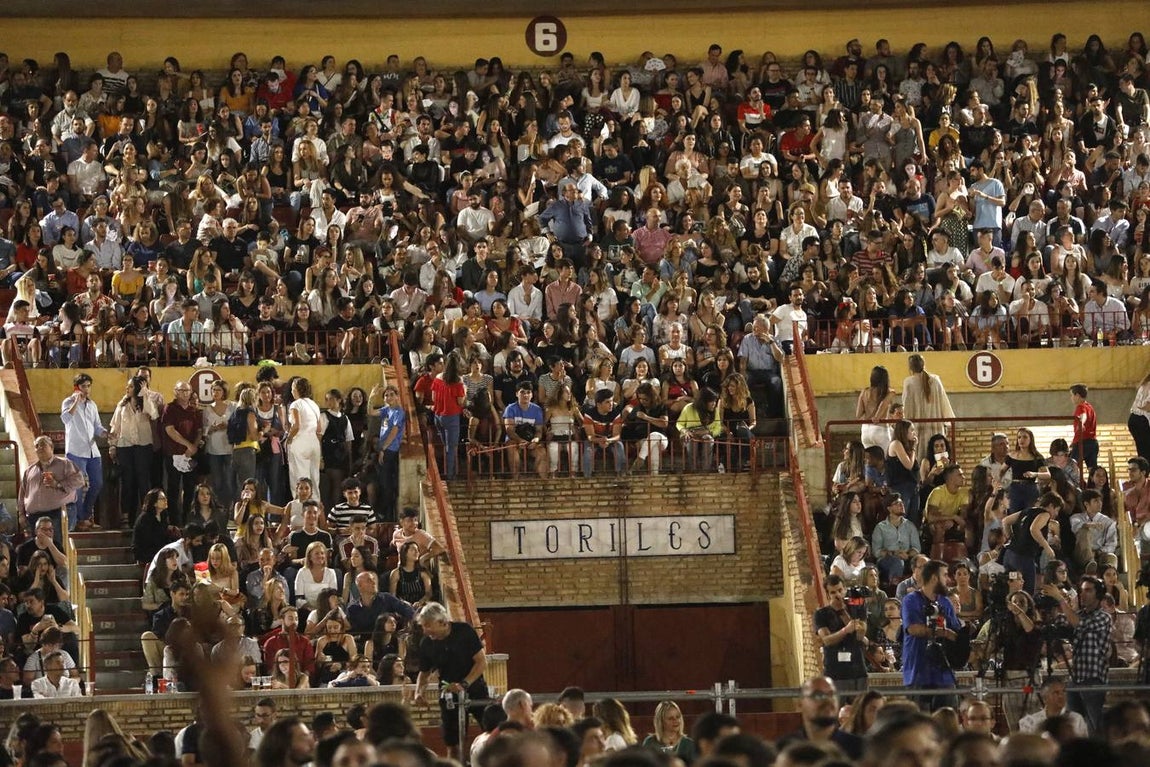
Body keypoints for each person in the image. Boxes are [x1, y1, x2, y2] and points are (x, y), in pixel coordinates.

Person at [413, 602, 488, 761]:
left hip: (475, 689)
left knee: (491, 729)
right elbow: (424, 673)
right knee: (452, 743)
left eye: (428, 625)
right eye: (423, 626)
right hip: (448, 695)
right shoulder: (427, 643)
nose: (425, 630)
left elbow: (481, 662)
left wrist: (464, 684)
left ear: (442, 622)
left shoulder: (465, 631)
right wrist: (419, 692)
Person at [1041, 575, 1112, 734]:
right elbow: (1057, 624)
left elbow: (1079, 624)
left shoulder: (1103, 616)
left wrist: (1060, 599)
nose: (1083, 594)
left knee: (1094, 726)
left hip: (1093, 679)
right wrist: (1053, 606)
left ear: (1098, 594)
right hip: (1076, 678)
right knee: (1074, 726)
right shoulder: (1079, 613)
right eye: (1081, 591)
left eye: (1088, 590)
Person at [902, 559, 960, 711]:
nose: (949, 579)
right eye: (945, 575)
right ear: (934, 578)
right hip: (918, 671)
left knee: (947, 721)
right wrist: (942, 632)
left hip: (944, 672)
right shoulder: (911, 600)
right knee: (920, 725)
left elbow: (956, 631)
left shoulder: (946, 602)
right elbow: (912, 629)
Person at [59, 373, 107, 531]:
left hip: (92, 450)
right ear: (76, 387)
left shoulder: (92, 405)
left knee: (98, 483)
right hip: (76, 449)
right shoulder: (68, 401)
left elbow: (97, 426)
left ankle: (86, 514)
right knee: (77, 486)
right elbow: (65, 419)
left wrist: (105, 433)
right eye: (83, 386)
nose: (86, 389)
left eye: (88, 386)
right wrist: (75, 402)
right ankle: (80, 519)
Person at [17, 436, 84, 543]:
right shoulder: (29, 470)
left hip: (57, 514)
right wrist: (21, 514)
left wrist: (57, 484)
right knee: (36, 549)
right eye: (36, 446)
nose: (39, 448)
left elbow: (79, 481)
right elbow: (22, 495)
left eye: (43, 444)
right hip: (34, 517)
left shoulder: (65, 463)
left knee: (56, 546)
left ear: (51, 447)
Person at [778, 676, 863, 759]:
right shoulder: (785, 749)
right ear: (800, 705)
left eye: (831, 694)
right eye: (818, 695)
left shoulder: (858, 748)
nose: (828, 700)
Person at [813, 575, 868, 693]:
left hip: (857, 670)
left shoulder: (857, 607)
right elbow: (827, 640)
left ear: (845, 589)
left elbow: (860, 635)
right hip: (835, 672)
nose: (837, 595)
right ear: (828, 595)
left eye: (840, 590)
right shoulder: (821, 614)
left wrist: (844, 612)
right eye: (833, 592)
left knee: (859, 708)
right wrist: (845, 630)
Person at [1002, 491, 1061, 594]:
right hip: (1023, 559)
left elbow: (1006, 521)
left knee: (1012, 589)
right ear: (1051, 505)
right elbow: (1034, 529)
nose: (1056, 514)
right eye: (1057, 510)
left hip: (1010, 556)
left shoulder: (1027, 511)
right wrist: (1047, 547)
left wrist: (1011, 537)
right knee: (1027, 593)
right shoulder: (1045, 514)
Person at [900, 354, 954, 461]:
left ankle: (923, 476)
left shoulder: (909, 383)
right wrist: (947, 422)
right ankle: (940, 474)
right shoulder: (936, 380)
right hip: (936, 427)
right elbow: (944, 403)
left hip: (918, 428)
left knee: (921, 458)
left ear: (910, 367)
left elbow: (907, 408)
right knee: (938, 459)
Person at [871, 494, 922, 586]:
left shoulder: (910, 525)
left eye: (902, 503)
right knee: (897, 562)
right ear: (889, 508)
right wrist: (893, 553)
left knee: (924, 561)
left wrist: (908, 554)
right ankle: (895, 590)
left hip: (908, 558)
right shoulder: (880, 527)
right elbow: (876, 551)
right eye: (897, 503)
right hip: (887, 560)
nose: (901, 505)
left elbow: (917, 548)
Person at [286, 377, 323, 493]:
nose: (291, 391)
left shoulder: (296, 404)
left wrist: (289, 438)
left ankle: (301, 507)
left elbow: (296, 425)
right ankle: (315, 506)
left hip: (300, 442)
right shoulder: (314, 405)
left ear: (296, 389)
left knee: (299, 478)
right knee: (314, 479)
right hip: (314, 442)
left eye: (292, 388)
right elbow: (319, 429)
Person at [1017, 676, 1088, 737]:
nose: (1061, 696)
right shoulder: (1030, 722)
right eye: (1056, 693)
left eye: (1063, 691)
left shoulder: (1076, 719)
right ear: (1045, 698)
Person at [1070, 489, 1118, 575]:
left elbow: (1112, 544)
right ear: (1086, 504)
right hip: (1081, 554)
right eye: (1096, 501)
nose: (1100, 503)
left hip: (1100, 553)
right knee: (1083, 530)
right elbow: (1076, 527)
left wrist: (1099, 552)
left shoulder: (1108, 522)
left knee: (1112, 557)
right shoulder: (1076, 517)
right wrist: (1091, 525)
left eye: (1100, 500)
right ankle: (1090, 562)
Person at [375, 385, 405, 523]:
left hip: (390, 451)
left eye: (392, 394)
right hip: (384, 450)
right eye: (386, 395)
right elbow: (370, 411)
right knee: (382, 482)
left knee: (387, 483)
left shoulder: (398, 412)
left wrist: (383, 449)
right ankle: (385, 512)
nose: (389, 397)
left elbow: (394, 431)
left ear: (397, 396)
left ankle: (386, 514)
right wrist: (372, 396)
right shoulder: (386, 410)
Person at [1070, 383, 1099, 470]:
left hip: (1083, 442)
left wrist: (1081, 422)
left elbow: (1083, 415)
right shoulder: (1090, 407)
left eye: (1071, 395)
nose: (1071, 398)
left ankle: (1078, 483)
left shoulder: (1081, 406)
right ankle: (1093, 483)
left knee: (1071, 466)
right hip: (1093, 442)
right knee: (1092, 469)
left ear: (1077, 395)